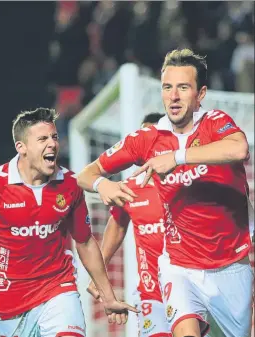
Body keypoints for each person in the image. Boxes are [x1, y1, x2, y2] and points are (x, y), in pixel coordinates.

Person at [77, 49, 253, 337]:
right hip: (179, 266)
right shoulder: (146, 138)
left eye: (183, 88)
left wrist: (178, 157)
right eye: (167, 87)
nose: (173, 96)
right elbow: (86, 174)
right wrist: (103, 184)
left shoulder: (215, 123)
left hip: (231, 266)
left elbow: (239, 149)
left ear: (200, 94)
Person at [0, 108, 138, 337]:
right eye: (42, 139)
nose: (52, 144)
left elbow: (85, 242)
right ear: (21, 147)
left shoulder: (70, 184)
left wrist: (108, 296)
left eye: (54, 137)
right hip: (10, 302)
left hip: (57, 287)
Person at [87, 113, 172, 337]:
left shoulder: (188, 181)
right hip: (151, 293)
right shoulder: (128, 189)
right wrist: (100, 272)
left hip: (192, 286)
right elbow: (117, 224)